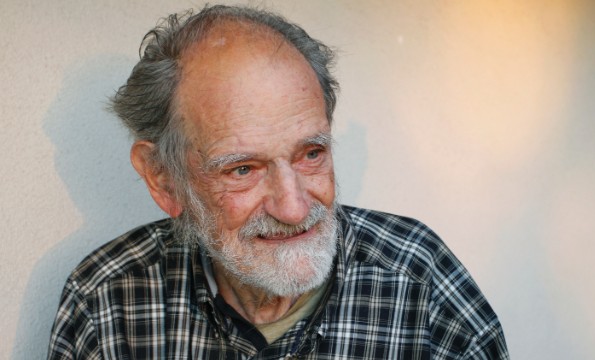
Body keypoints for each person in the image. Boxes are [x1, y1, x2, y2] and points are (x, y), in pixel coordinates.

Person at [47, 5, 509, 359]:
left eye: (311, 154)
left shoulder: (417, 278)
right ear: (164, 179)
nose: (292, 209)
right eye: (243, 169)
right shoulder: (107, 300)